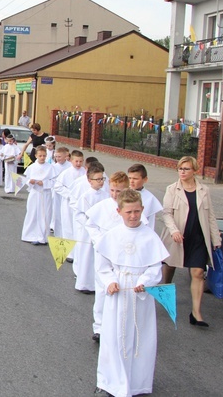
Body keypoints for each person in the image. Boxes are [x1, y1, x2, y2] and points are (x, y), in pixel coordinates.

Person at [94, 189, 169, 397]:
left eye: (137, 211)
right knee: (114, 336)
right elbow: (102, 265)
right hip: (118, 292)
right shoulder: (112, 235)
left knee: (139, 337)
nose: (133, 216)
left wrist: (145, 281)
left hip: (139, 294)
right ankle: (111, 382)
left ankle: (137, 383)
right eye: (129, 212)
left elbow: (155, 267)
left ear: (142, 209)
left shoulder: (149, 236)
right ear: (119, 211)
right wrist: (109, 281)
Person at [161, 156, 222, 327]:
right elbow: (166, 213)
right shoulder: (172, 189)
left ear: (194, 170)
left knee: (197, 273)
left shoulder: (204, 190)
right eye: (180, 168)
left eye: (186, 169)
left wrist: (215, 238)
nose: (182, 172)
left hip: (198, 237)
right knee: (170, 267)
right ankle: (165, 293)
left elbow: (210, 215)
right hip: (178, 236)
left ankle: (196, 313)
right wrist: (174, 231)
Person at [84, 171, 131, 343]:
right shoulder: (103, 206)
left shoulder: (129, 207)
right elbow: (91, 225)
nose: (114, 194)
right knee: (102, 289)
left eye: (119, 191)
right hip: (104, 252)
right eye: (112, 190)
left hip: (122, 255)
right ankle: (99, 326)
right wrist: (99, 241)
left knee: (119, 288)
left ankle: (117, 326)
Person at [70, 162, 108, 293]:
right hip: (87, 232)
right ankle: (85, 283)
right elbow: (78, 214)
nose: (101, 182)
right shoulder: (85, 196)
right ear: (89, 180)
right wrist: (89, 222)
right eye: (97, 179)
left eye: (102, 179)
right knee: (86, 256)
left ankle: (97, 283)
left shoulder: (106, 195)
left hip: (101, 230)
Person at [20, 145, 53, 245]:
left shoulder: (50, 167)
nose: (42, 158)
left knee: (45, 214)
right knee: (33, 213)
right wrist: (31, 181)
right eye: (40, 156)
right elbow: (26, 180)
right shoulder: (32, 167)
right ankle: (30, 235)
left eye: (44, 155)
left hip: (45, 194)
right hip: (35, 193)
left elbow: (54, 181)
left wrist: (45, 183)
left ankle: (42, 236)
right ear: (36, 156)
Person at [127, 164, 162, 232]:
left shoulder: (150, 198)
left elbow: (150, 223)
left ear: (145, 179)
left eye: (135, 178)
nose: (131, 181)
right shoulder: (123, 193)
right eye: (129, 178)